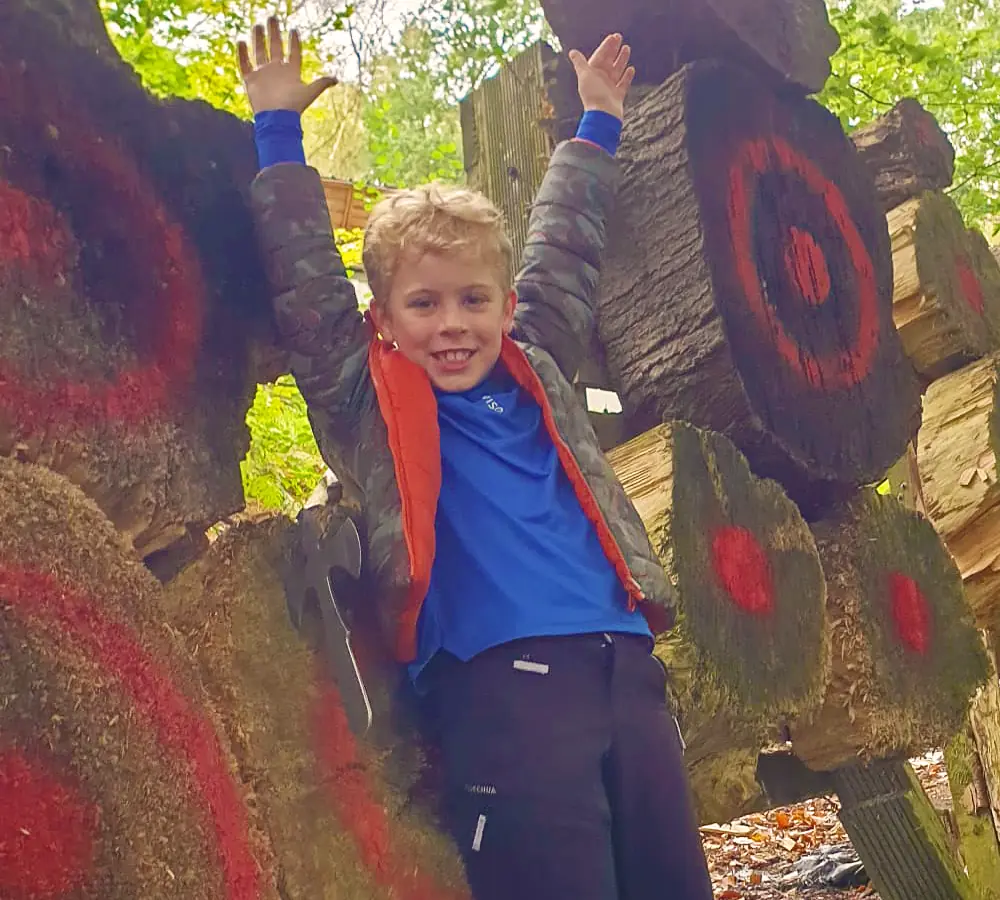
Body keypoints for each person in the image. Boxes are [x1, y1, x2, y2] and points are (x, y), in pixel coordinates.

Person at [239, 17, 714, 900]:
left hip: (626, 674)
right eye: (423, 303)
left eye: (472, 300)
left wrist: (599, 120)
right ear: (382, 316)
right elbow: (304, 285)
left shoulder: (536, 368)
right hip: (503, 695)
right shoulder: (368, 399)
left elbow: (563, 249)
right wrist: (276, 129)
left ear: (503, 307)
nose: (452, 323)